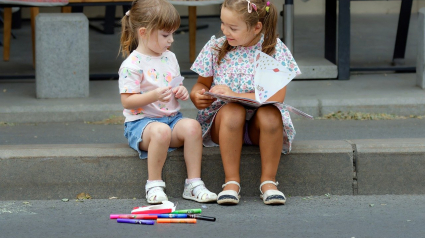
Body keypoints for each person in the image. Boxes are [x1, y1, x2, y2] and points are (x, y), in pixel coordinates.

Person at [190, 0, 301, 205]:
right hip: (225, 124)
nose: (225, 31)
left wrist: (233, 92)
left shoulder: (272, 48)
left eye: (233, 28)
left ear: (256, 27)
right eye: (223, 23)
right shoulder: (216, 47)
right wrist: (197, 95)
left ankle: (269, 182)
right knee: (234, 111)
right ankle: (231, 182)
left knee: (271, 114)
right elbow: (200, 84)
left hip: (261, 128)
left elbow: (276, 96)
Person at [118, 0, 217, 204]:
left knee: (192, 126)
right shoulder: (132, 64)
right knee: (160, 132)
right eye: (165, 35)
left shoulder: (169, 57)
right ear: (143, 32)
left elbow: (173, 85)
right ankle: (154, 184)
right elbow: (127, 101)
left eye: (172, 33)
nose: (171, 39)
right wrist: (153, 96)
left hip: (172, 119)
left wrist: (179, 91)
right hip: (141, 125)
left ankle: (194, 183)